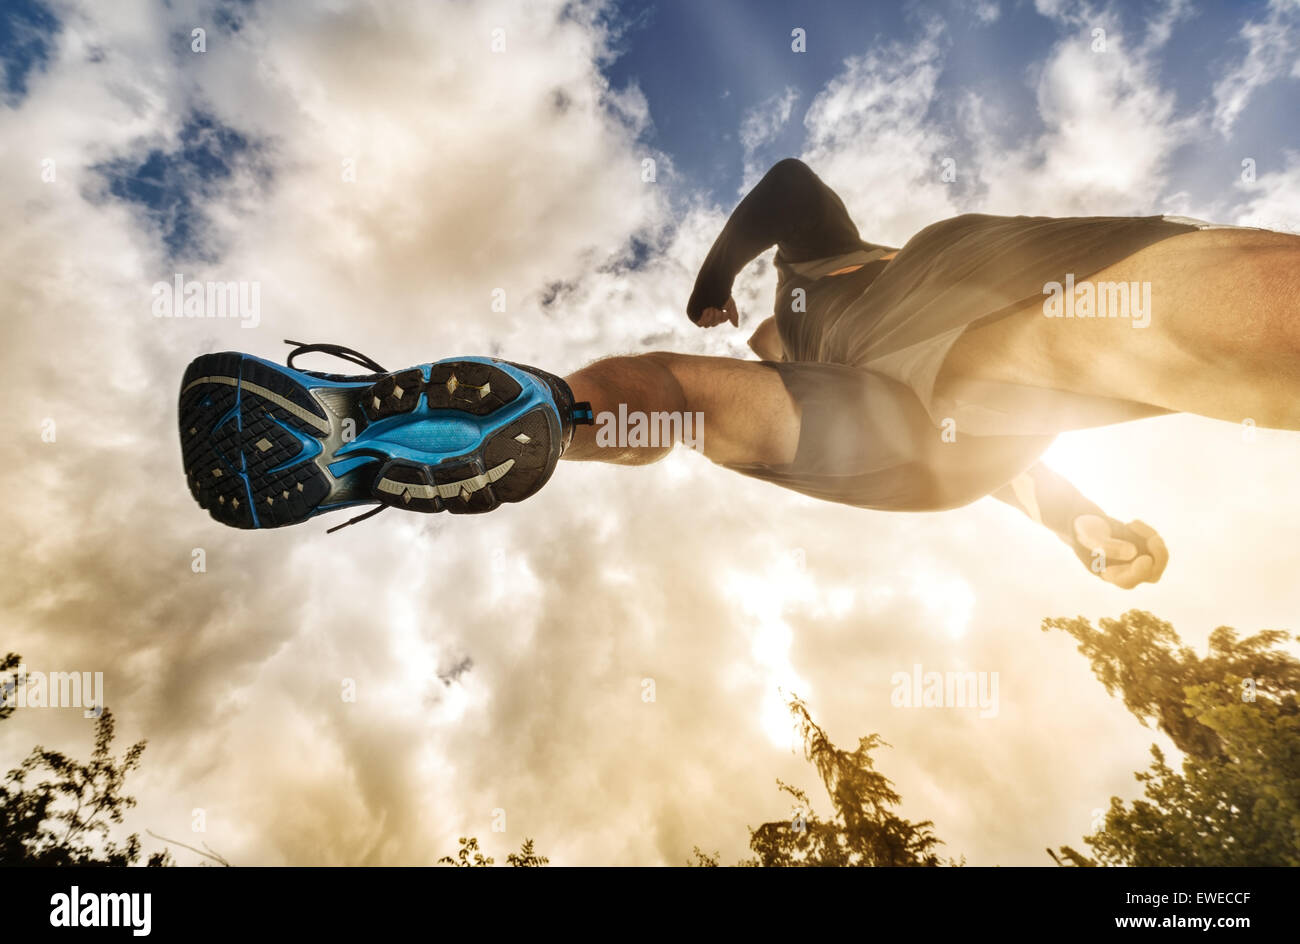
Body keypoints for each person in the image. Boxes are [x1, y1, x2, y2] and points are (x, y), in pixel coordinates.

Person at [178, 159, 1300, 588]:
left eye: (759, 333)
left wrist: (721, 273)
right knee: (672, 393)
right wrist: (1077, 527)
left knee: (1180, 318)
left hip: (958, 293)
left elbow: (796, 188)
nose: (755, 341)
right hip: (907, 427)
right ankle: (412, 436)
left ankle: (477, 426)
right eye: (758, 336)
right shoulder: (792, 353)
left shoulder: (809, 283)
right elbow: (1013, 468)